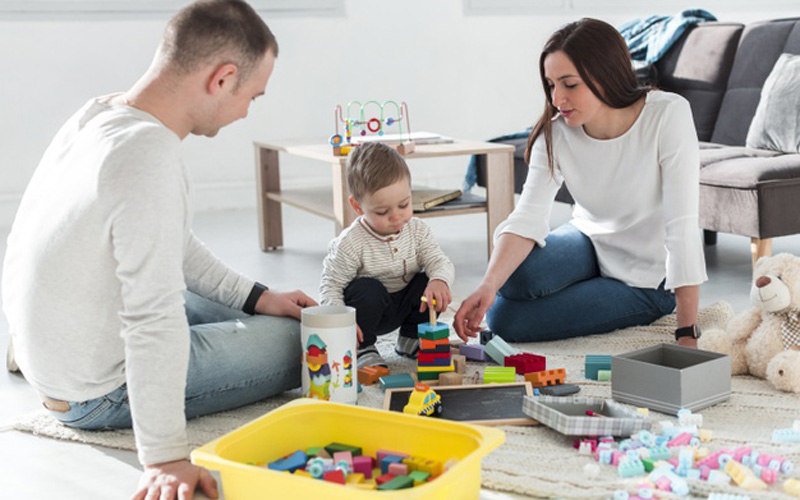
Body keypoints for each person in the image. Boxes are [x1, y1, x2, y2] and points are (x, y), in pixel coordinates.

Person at [1, 1, 317, 499]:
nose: (246, 111)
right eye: (252, 96)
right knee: (304, 342)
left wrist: (258, 296)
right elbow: (152, 316)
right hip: (95, 392)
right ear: (222, 78)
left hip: (55, 349)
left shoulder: (99, 114)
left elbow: (166, 240)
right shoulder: (148, 155)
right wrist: (166, 457)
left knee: (273, 315)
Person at [453, 18, 707, 348]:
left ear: (605, 75)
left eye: (569, 84)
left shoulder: (667, 116)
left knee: (505, 320)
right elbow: (527, 217)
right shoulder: (555, 133)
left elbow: (682, 226)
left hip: (646, 280)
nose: (558, 98)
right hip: (588, 240)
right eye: (551, 84)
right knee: (511, 278)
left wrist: (686, 332)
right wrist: (488, 285)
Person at [319, 142, 455, 369]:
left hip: (405, 305)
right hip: (369, 313)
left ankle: (410, 337)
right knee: (366, 289)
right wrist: (341, 325)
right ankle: (364, 347)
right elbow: (330, 286)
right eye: (382, 212)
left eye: (404, 205)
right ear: (358, 206)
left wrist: (439, 280)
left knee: (429, 282)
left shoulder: (417, 230)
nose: (396, 217)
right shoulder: (350, 243)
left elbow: (438, 260)